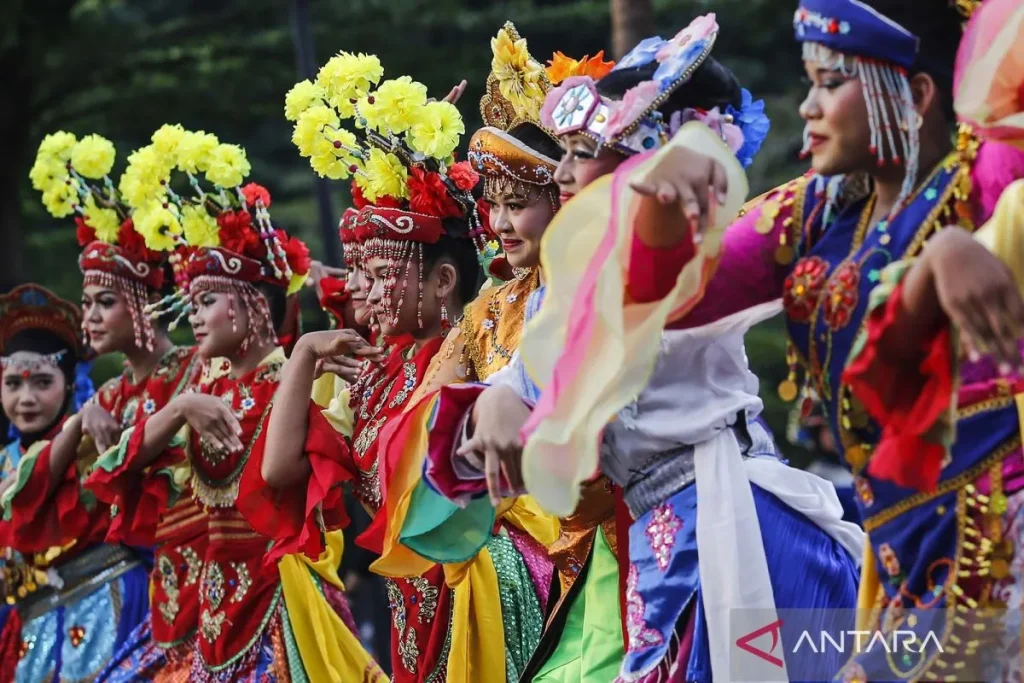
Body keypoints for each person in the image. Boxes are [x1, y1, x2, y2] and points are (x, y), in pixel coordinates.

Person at [422, 14, 865, 683]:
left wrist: (697, 161)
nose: (563, 173)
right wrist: (496, 407)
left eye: (581, 151)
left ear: (640, 158)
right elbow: (526, 387)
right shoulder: (564, 288)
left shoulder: (689, 254)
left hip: (734, 523)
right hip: (661, 539)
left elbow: (817, 203)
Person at [251, 50, 555, 683]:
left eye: (380, 272)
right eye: (357, 271)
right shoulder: (366, 376)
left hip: (486, 589)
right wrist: (304, 355)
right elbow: (278, 471)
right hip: (411, 606)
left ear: (442, 281)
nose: (359, 289)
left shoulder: (480, 342)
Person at [375, 25, 627, 683]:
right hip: (530, 544)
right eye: (493, 205)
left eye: (518, 205)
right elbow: (426, 417)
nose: (501, 224)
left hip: (613, 532)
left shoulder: (604, 284)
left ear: (564, 197)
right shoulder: (490, 309)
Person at [97, 131, 382, 682]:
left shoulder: (301, 380)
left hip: (282, 600)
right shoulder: (201, 388)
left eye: (207, 300)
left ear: (251, 305)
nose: (194, 316)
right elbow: (118, 467)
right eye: (192, 303)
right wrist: (181, 407)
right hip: (213, 613)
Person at [0, 283, 142, 683]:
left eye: (42, 382)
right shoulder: (4, 463)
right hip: (32, 632)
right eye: (13, 384)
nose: (26, 398)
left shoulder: (96, 442)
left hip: (105, 605)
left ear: (68, 384)